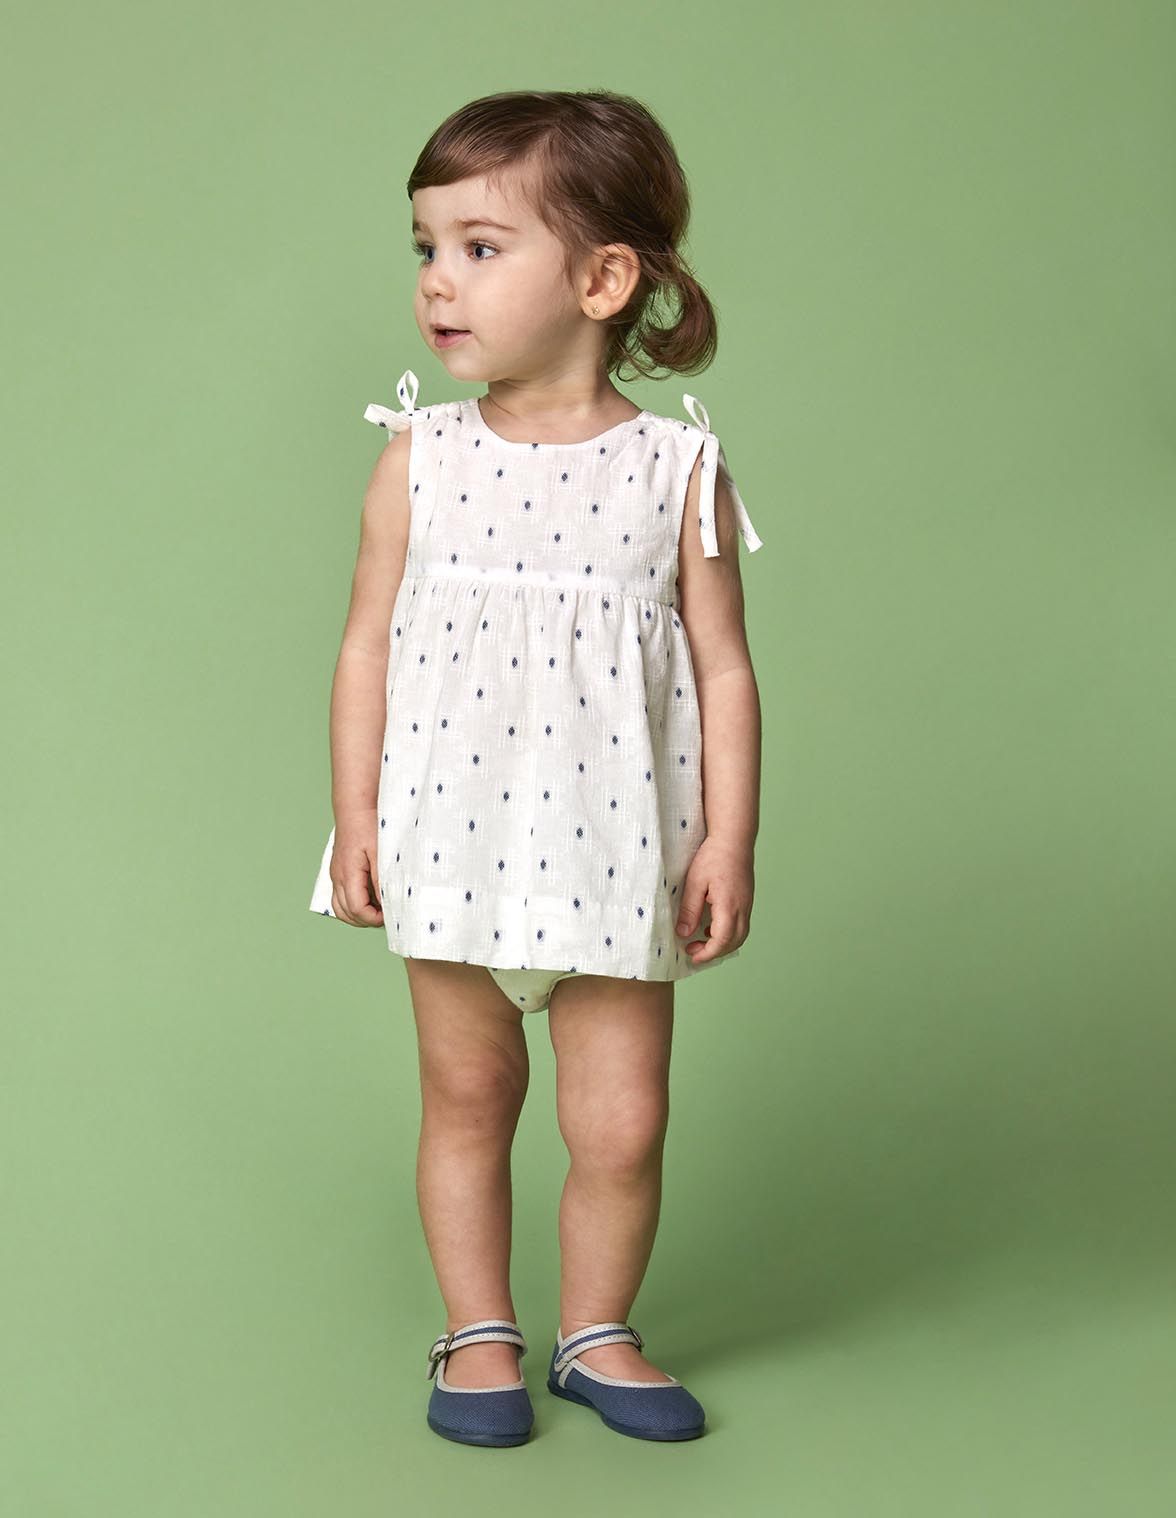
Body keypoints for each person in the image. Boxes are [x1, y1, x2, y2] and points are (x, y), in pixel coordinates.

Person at [308, 89, 765, 1447]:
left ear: (603, 280)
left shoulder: (678, 470)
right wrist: (353, 819)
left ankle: (597, 1329)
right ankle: (479, 1331)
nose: (436, 282)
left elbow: (725, 670)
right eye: (425, 249)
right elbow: (364, 648)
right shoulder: (419, 461)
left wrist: (728, 838)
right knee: (468, 1097)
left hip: (617, 854)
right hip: (450, 840)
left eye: (478, 248)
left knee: (620, 1123)